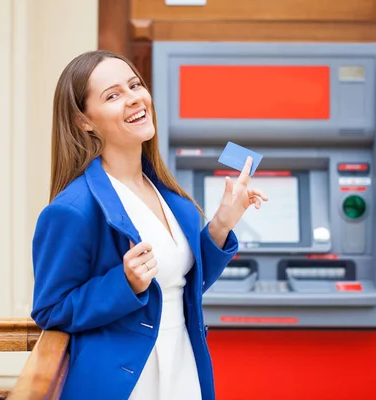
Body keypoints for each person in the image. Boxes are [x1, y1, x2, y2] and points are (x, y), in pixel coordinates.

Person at [30, 49, 267, 400]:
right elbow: (50, 310)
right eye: (113, 95)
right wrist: (123, 283)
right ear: (84, 121)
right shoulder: (74, 209)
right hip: (126, 383)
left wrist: (221, 224)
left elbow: (182, 284)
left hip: (184, 366)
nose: (133, 99)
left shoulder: (168, 193)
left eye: (134, 85)